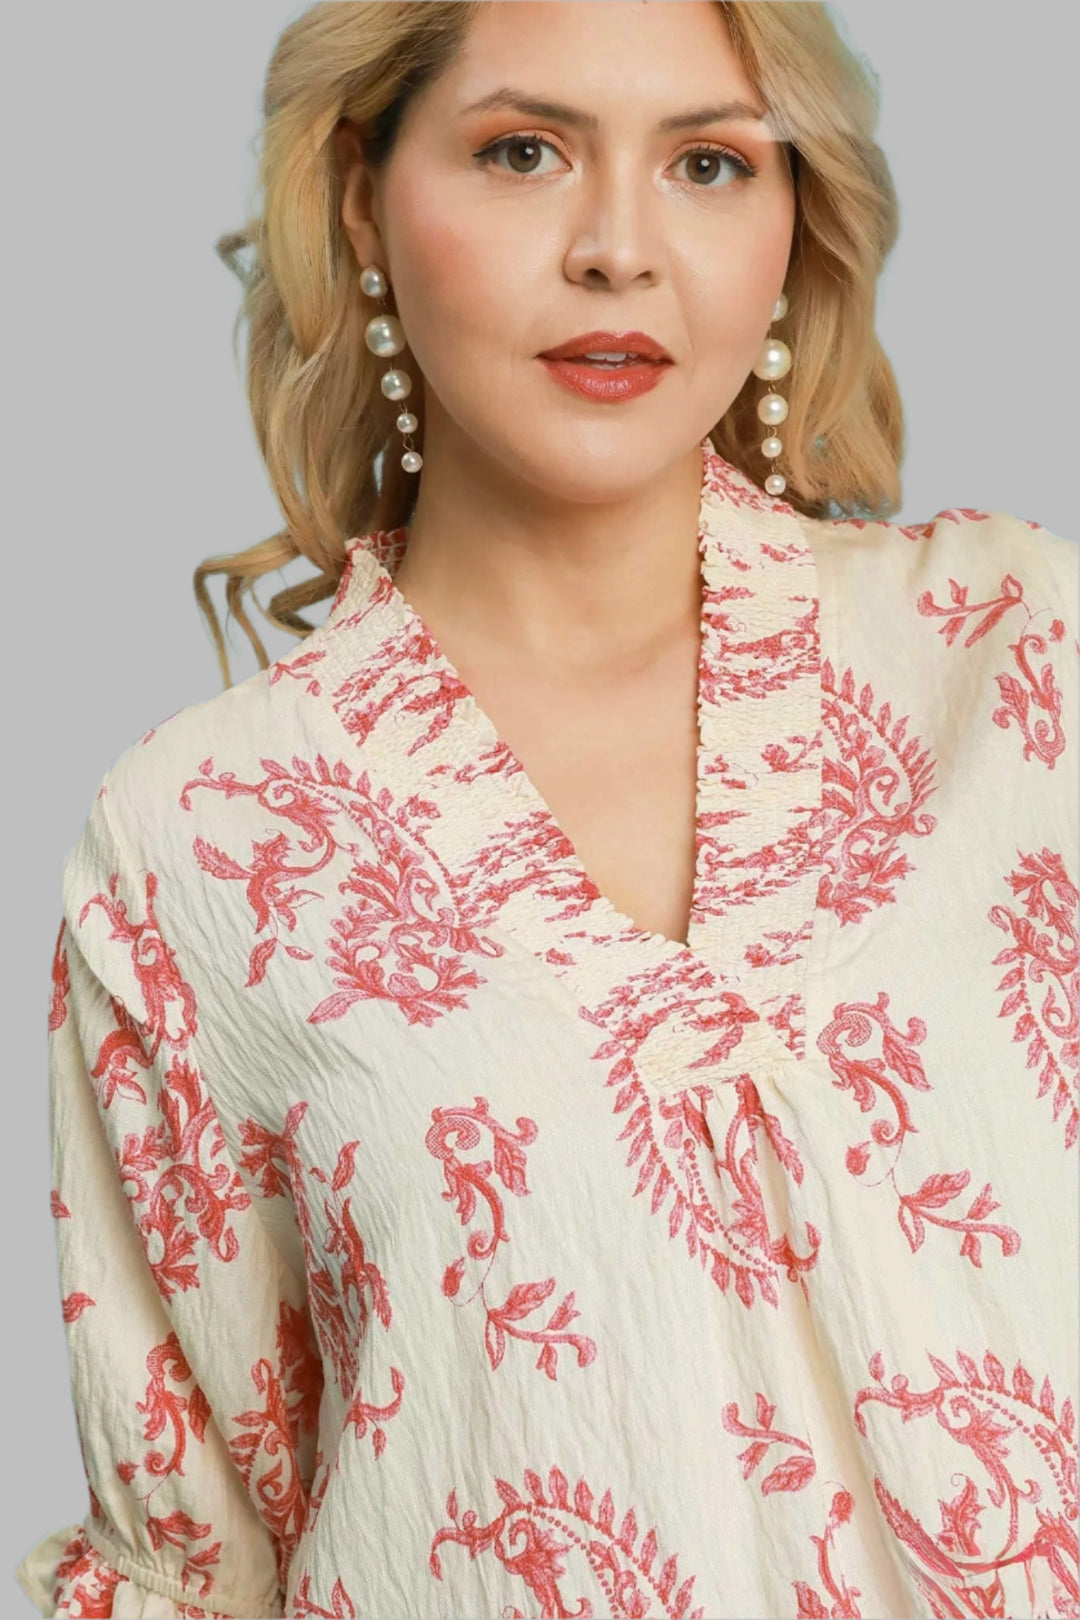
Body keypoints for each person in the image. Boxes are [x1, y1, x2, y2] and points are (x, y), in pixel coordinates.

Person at [16, 2, 1078, 1616]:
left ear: (795, 216)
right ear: (362, 199)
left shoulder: (1018, 661)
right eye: (524, 152)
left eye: (710, 164)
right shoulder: (207, 837)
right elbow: (193, 1559)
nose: (618, 251)